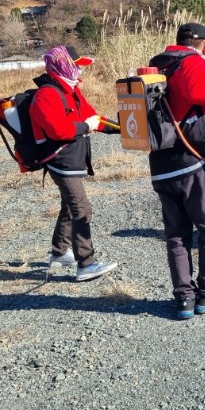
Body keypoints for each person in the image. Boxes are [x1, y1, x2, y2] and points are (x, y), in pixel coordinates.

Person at [148, 22, 205, 320]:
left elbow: (187, 114)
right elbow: (200, 94)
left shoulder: (160, 65)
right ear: (202, 44)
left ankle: (185, 300)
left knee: (177, 235)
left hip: (162, 164)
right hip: (191, 165)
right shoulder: (192, 61)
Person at [29, 45, 120, 280]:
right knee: (82, 209)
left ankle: (59, 253)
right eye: (77, 65)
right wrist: (85, 126)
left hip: (72, 159)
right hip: (60, 161)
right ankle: (86, 263)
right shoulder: (46, 95)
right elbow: (58, 131)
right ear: (64, 65)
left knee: (69, 207)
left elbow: (94, 119)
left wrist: (124, 128)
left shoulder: (71, 91)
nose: (81, 70)